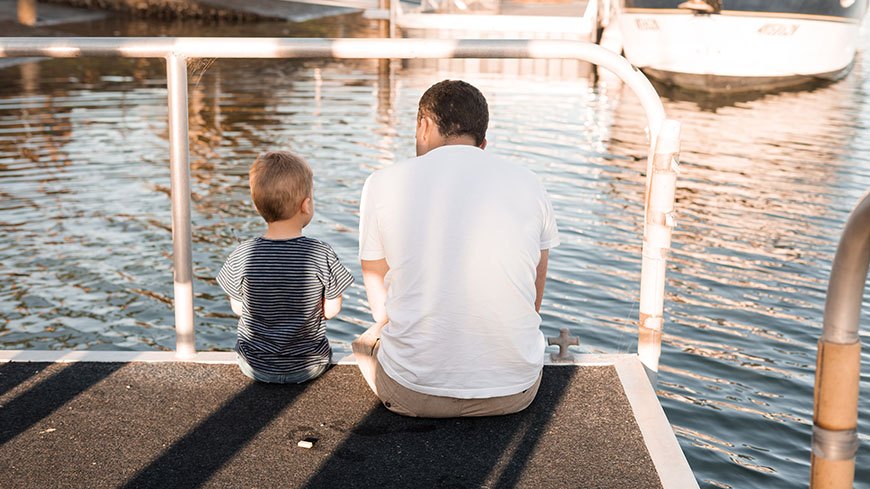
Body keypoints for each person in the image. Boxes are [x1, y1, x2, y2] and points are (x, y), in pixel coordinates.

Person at [353, 80, 560, 417]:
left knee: (369, 337)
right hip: (516, 392)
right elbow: (533, 299)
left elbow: (380, 304)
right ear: (483, 143)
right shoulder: (529, 182)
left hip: (412, 393)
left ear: (423, 126)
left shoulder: (382, 182)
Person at [217, 151, 354, 384]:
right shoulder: (322, 253)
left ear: (257, 205)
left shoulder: (243, 253)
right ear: (306, 205)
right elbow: (332, 310)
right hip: (309, 366)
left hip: (255, 365)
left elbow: (238, 308)